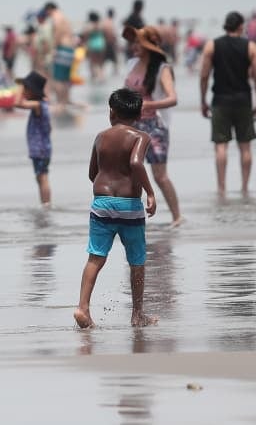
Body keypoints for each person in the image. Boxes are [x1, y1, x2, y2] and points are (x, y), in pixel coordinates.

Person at [73, 88, 157, 330]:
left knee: (96, 257)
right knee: (137, 260)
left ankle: (83, 308)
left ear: (111, 112)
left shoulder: (100, 137)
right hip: (129, 206)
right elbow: (135, 163)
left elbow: (93, 173)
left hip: (102, 204)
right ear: (139, 115)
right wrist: (150, 192)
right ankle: (137, 314)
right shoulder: (140, 136)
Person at [122, 25, 182, 227]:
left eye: (138, 43)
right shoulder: (132, 64)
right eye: (133, 43)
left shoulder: (162, 69)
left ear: (149, 45)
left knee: (160, 176)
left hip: (155, 125)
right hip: (132, 125)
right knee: (130, 172)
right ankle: (131, 216)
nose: (134, 46)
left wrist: (149, 105)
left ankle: (177, 217)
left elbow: (173, 98)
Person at [199, 11, 256, 194]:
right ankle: (244, 186)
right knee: (245, 146)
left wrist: (203, 100)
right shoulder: (250, 47)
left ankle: (221, 187)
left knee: (221, 146)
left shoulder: (212, 45)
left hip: (220, 100)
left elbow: (204, 75)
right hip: (243, 99)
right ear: (241, 26)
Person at [14, 71, 52, 207]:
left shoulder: (38, 105)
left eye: (26, 89)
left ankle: (46, 204)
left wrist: (21, 85)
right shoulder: (42, 104)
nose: (23, 92)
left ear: (33, 91)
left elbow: (17, 103)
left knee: (42, 176)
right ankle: (45, 203)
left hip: (40, 148)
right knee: (40, 176)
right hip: (42, 148)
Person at [44, 1, 75, 107]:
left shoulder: (56, 17)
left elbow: (57, 31)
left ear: (49, 9)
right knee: (65, 79)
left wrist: (54, 47)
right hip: (70, 49)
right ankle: (65, 101)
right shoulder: (64, 17)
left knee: (57, 79)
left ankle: (60, 103)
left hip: (62, 48)